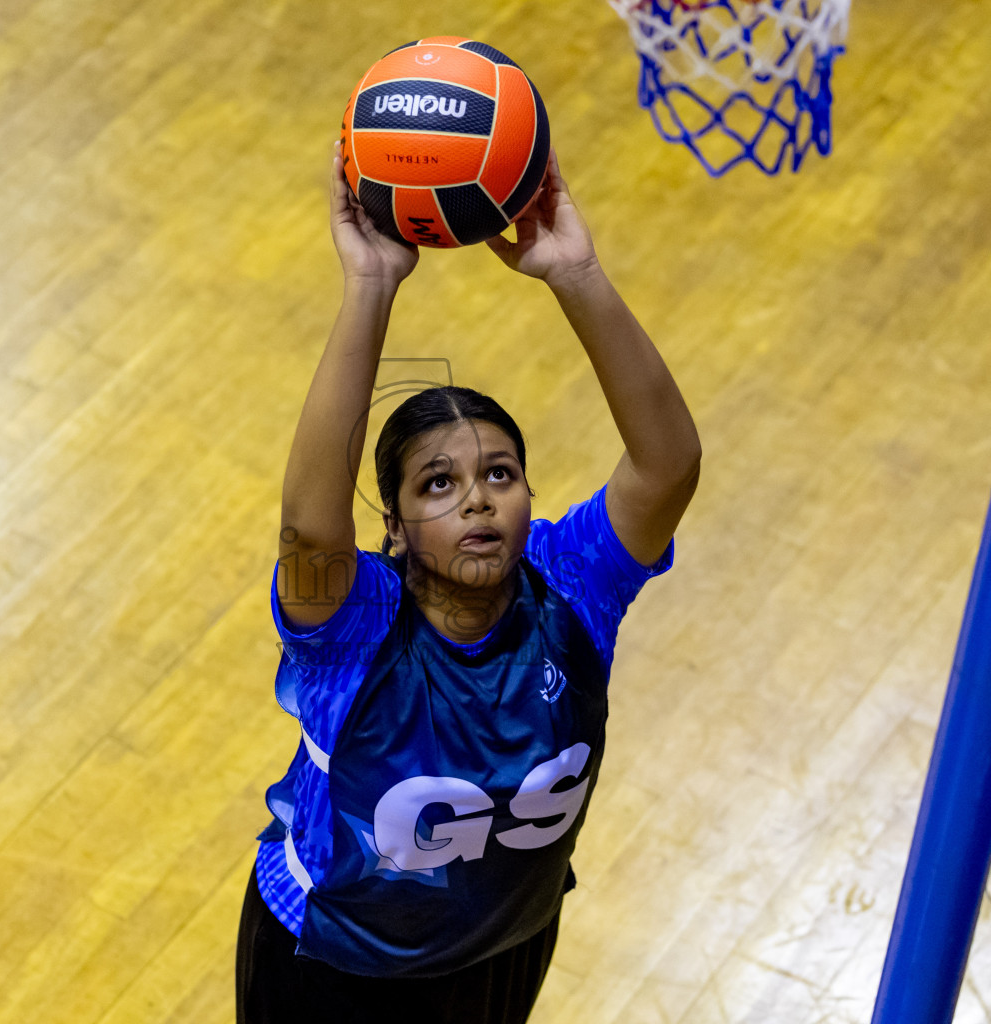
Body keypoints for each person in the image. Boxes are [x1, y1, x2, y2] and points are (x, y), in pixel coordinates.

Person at [235, 140, 702, 1024]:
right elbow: (307, 523)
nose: (479, 500)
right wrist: (370, 287)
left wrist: (577, 273)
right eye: (438, 484)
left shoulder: (574, 584)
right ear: (396, 530)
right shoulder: (356, 624)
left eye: (500, 474)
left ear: (530, 499)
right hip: (329, 961)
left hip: (502, 949)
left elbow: (669, 464)